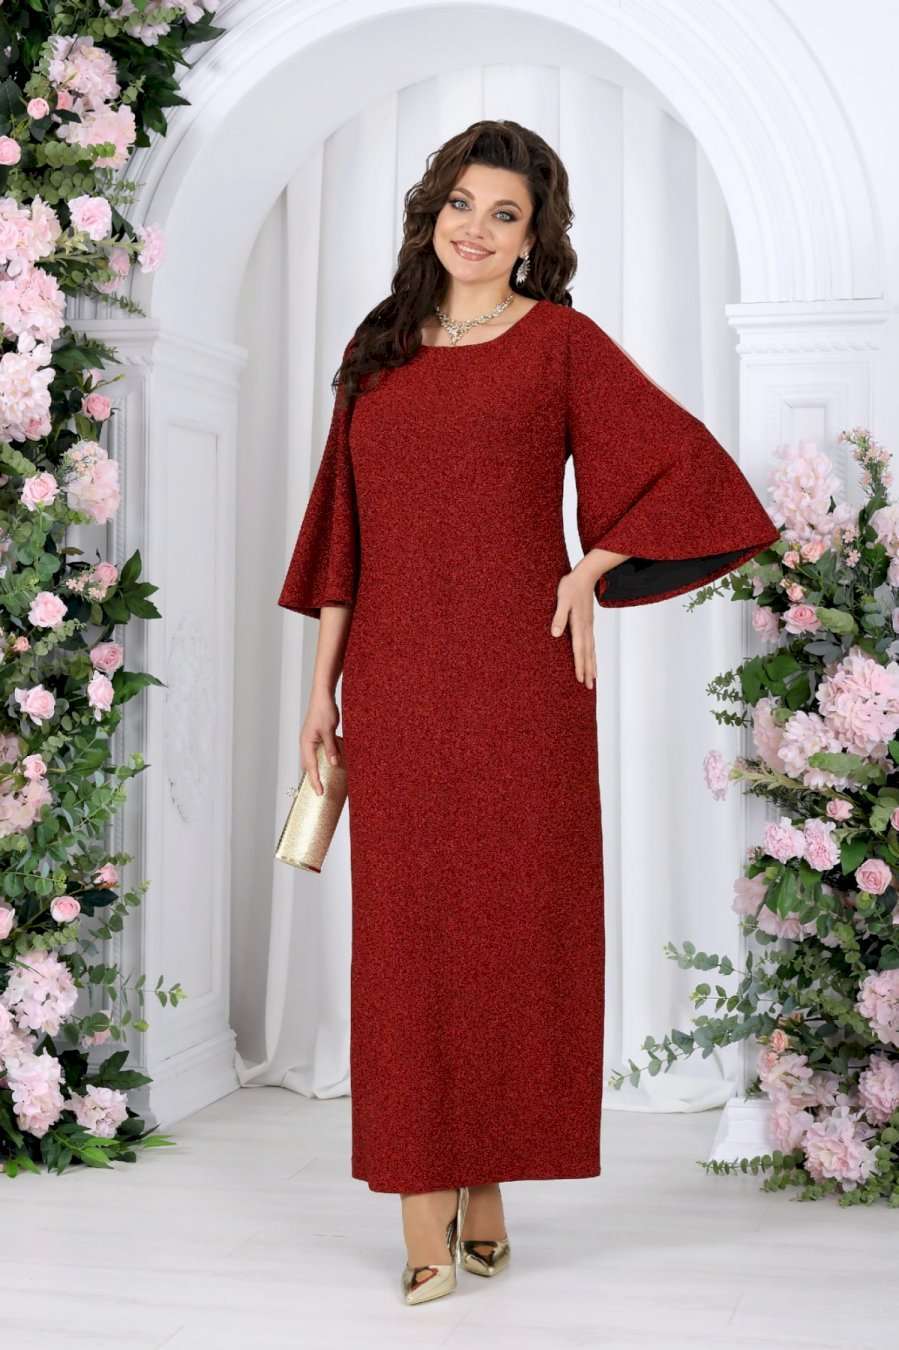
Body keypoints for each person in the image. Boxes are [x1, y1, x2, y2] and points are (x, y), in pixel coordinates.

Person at [277, 119, 780, 1306]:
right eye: (461, 203)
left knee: (509, 934)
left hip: (521, 681)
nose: (476, 228)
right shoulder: (376, 345)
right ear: (431, 212)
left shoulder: (559, 344)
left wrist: (592, 563)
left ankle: (487, 1181)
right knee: (408, 944)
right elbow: (341, 531)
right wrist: (318, 691)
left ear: (531, 237)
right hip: (397, 683)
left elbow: (688, 470)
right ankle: (421, 1205)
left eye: (503, 214)